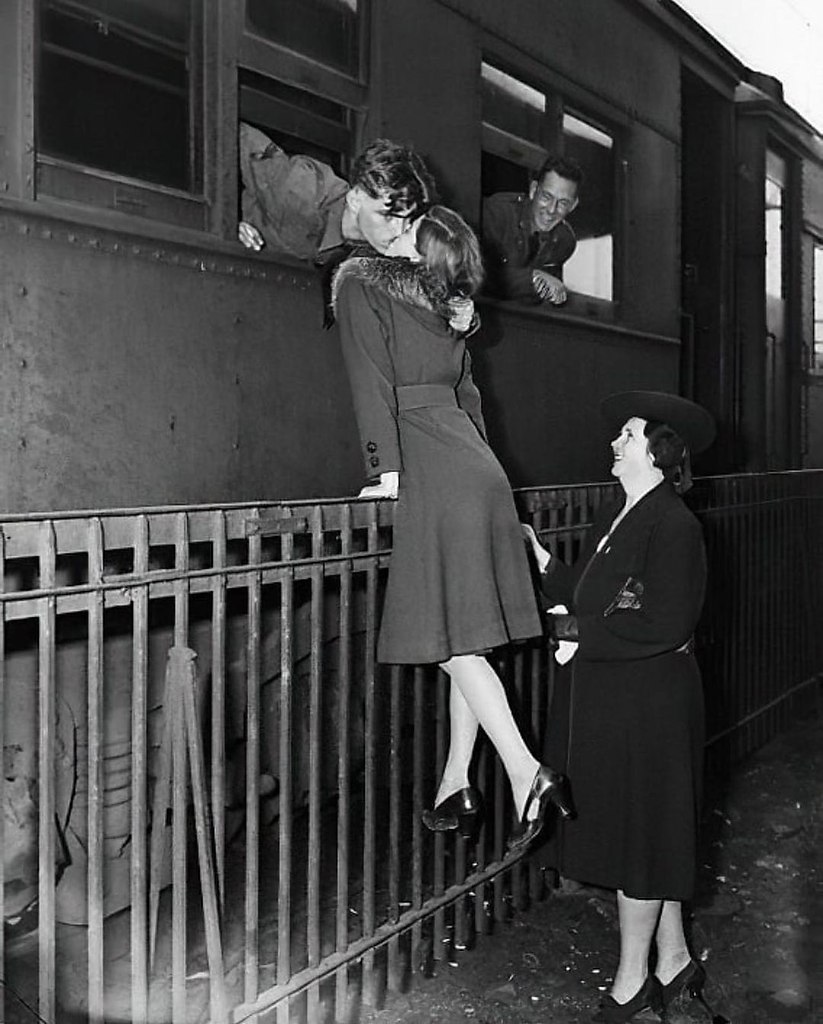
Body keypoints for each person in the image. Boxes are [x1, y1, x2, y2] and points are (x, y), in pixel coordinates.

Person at [331, 205, 575, 849]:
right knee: (466, 636)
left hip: (433, 464)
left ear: (424, 254)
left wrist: (384, 470)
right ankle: (456, 782)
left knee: (451, 646)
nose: (397, 236)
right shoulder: (451, 312)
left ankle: (525, 772)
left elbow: (370, 385)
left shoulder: (368, 290)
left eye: (410, 232)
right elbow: (470, 399)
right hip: (478, 463)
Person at [523, 391, 722, 1023]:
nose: (616, 442)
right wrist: (542, 562)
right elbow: (592, 595)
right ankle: (674, 959)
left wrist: (572, 632)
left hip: (653, 705)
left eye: (629, 435)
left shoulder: (676, 525)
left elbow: (664, 622)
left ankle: (632, 983)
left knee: (643, 841)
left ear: (659, 452)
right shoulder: (618, 512)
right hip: (620, 700)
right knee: (651, 834)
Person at [237, 123, 474, 332]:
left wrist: (461, 316)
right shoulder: (301, 190)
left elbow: (420, 290)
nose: (398, 232)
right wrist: (227, 218)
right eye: (388, 216)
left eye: (407, 220)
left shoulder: (380, 249)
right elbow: (234, 133)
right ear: (355, 199)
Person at [482, 154, 582, 305]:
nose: (551, 210)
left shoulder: (564, 241)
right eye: (546, 197)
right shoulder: (497, 212)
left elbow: (543, 298)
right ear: (533, 190)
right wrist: (532, 278)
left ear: (573, 206)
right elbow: (478, 277)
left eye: (563, 203)